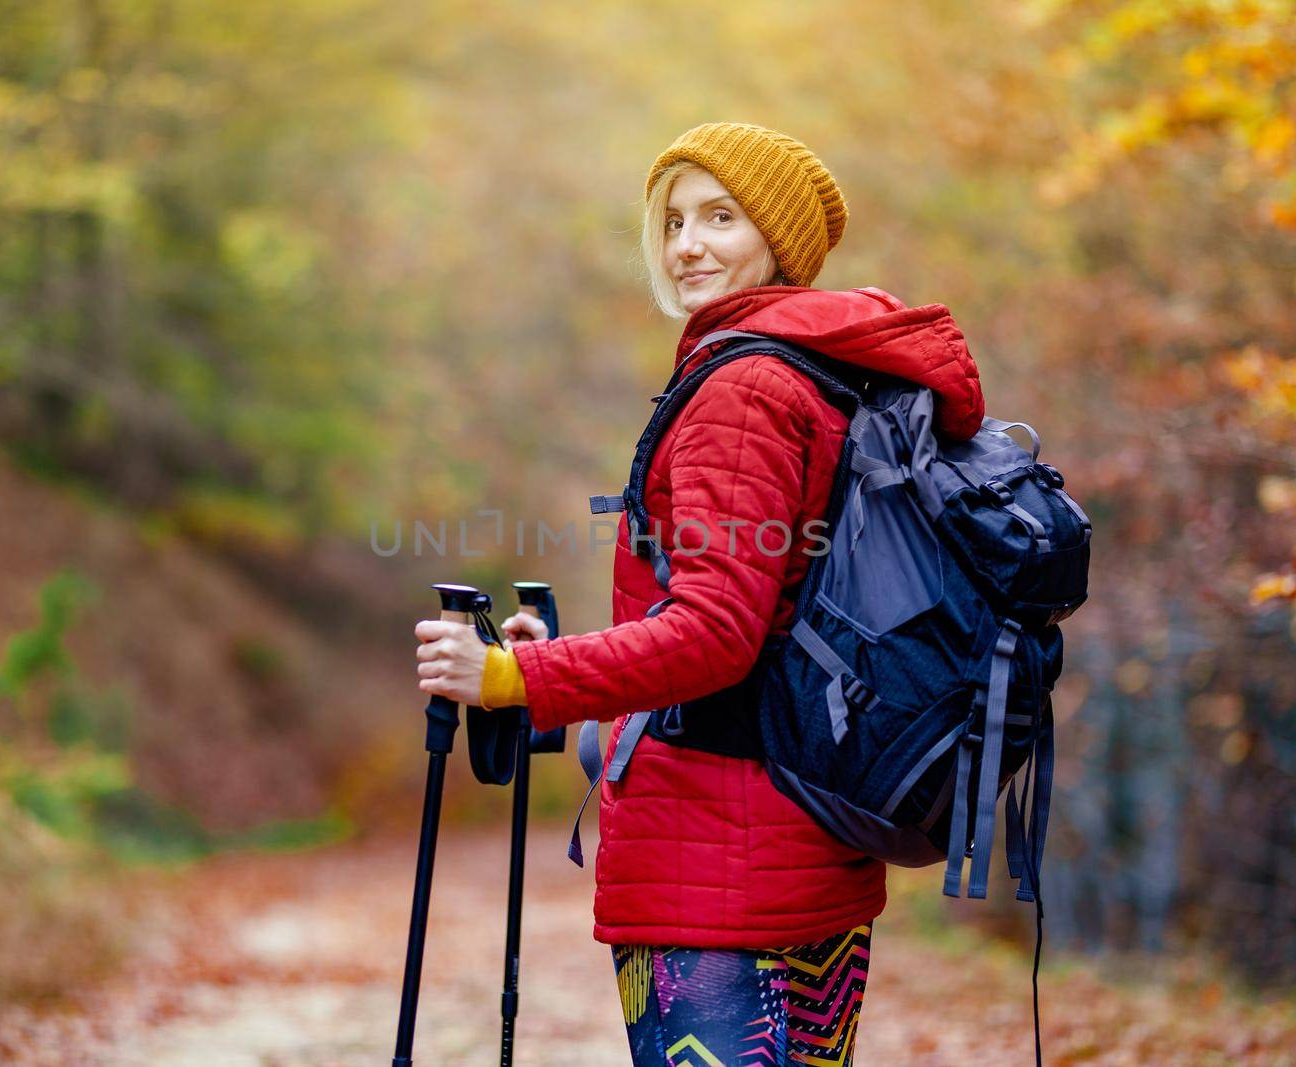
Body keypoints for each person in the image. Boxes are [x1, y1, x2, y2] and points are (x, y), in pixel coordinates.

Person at [415, 121, 985, 1065]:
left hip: (717, 870)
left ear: (777, 240)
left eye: (721, 217)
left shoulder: (745, 386)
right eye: (673, 220)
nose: (686, 245)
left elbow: (717, 632)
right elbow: (765, 610)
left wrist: (516, 679)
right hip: (804, 839)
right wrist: (556, 657)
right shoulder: (821, 371)